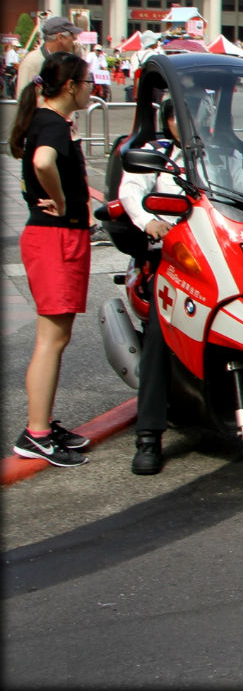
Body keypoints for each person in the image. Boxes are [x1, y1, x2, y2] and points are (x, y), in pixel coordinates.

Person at [9, 52, 95, 467]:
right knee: (51, 340)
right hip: (54, 238)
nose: (92, 87)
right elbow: (43, 162)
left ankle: (41, 426)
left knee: (56, 339)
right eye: (87, 81)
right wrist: (60, 202)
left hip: (58, 238)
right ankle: (36, 433)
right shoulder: (52, 123)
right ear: (70, 86)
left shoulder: (49, 120)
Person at [118, 100, 185, 474]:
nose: (185, 122)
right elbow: (131, 191)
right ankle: (148, 436)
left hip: (217, 253)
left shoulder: (222, 152)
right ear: (168, 119)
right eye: (177, 115)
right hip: (171, 257)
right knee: (161, 331)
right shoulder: (157, 153)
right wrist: (148, 222)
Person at [17, 15, 80, 99]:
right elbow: (23, 98)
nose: (75, 38)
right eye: (72, 35)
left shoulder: (65, 60)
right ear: (60, 37)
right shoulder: (33, 62)